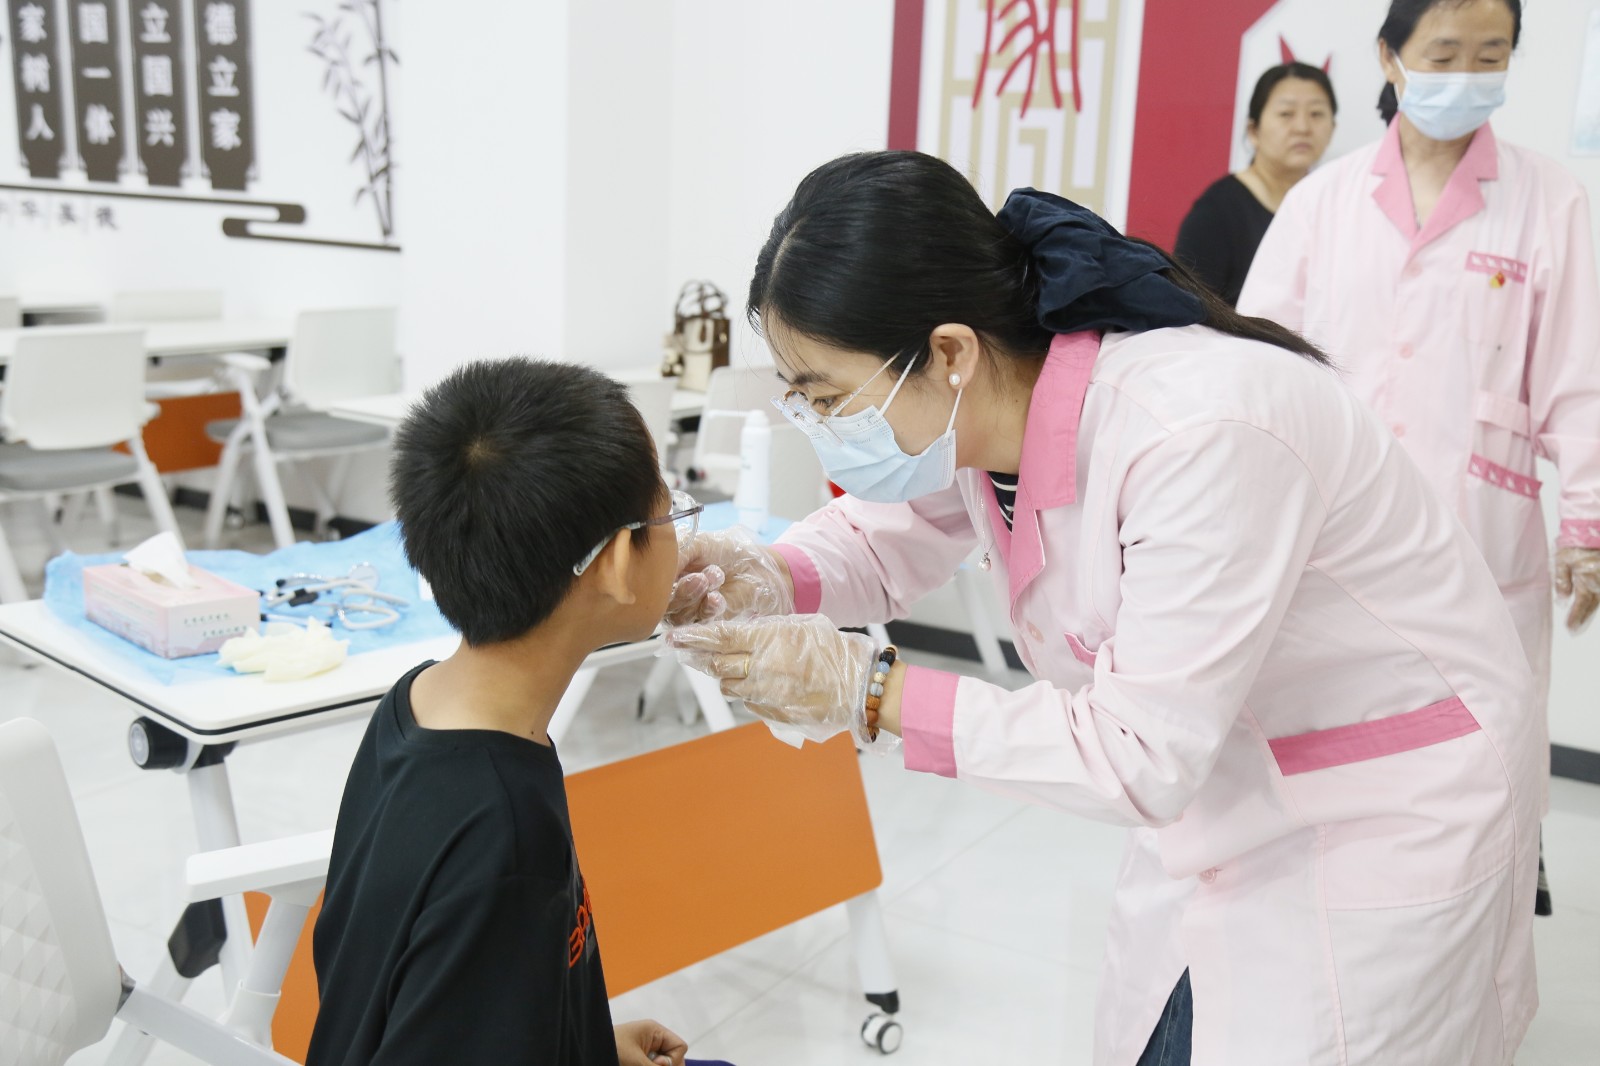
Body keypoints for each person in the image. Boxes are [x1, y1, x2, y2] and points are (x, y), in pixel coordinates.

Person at [666, 151, 1542, 1064]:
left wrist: (872, 691)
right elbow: (887, 533)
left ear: (951, 352)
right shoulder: (992, 410)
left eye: (828, 397)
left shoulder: (1196, 432)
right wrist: (765, 573)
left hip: (1388, 801)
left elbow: (1139, 753)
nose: (819, 424)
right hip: (1224, 779)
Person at [1238, 0, 1600, 916]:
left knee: (1480, 771)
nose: (1467, 75)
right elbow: (1256, 364)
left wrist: (1587, 523)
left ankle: (1468, 944)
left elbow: (1580, 377)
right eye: (1444, 53)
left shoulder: (1550, 198)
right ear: (1390, 57)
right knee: (1335, 765)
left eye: (1491, 54)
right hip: (1335, 533)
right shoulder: (1324, 201)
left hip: (1481, 536)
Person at [306, 358, 695, 1066]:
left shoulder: (419, 702)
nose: (679, 532)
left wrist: (586, 1045)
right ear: (615, 563)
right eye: (668, 513)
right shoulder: (508, 838)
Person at [1173, 62, 1337, 306]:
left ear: (1333, 128)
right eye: (1286, 114)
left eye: (1316, 114)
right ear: (1253, 130)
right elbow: (1185, 309)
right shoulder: (1216, 211)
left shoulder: (1336, 207)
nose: (1302, 128)